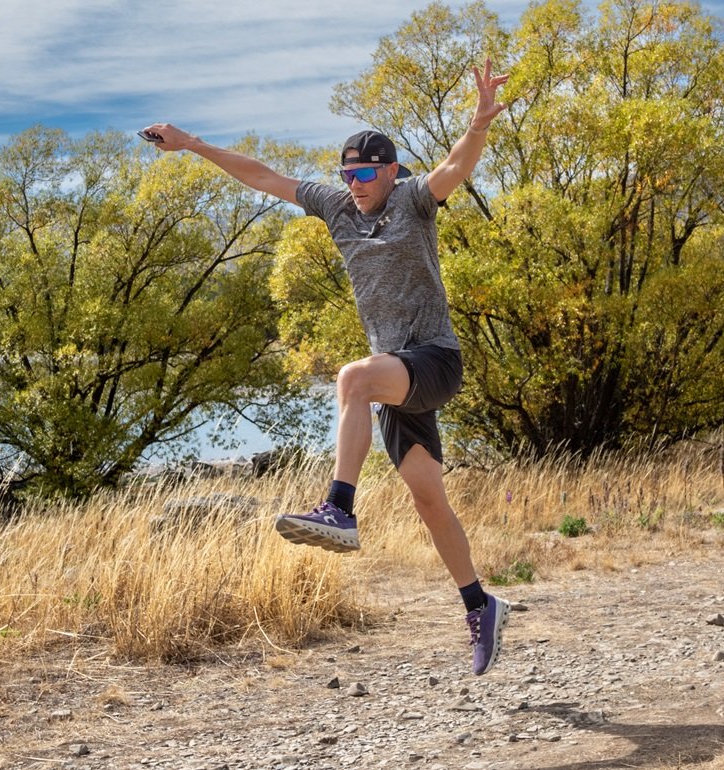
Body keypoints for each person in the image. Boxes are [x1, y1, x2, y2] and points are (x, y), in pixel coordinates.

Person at [142, 59, 512, 676]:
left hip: (435, 360)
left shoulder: (415, 202)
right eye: (348, 173)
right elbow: (262, 177)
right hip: (398, 376)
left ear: (391, 171)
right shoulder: (337, 208)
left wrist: (477, 122)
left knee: (352, 378)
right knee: (427, 500)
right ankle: (481, 605)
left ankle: (339, 505)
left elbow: (454, 168)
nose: (356, 181)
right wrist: (190, 145)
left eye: (366, 172)